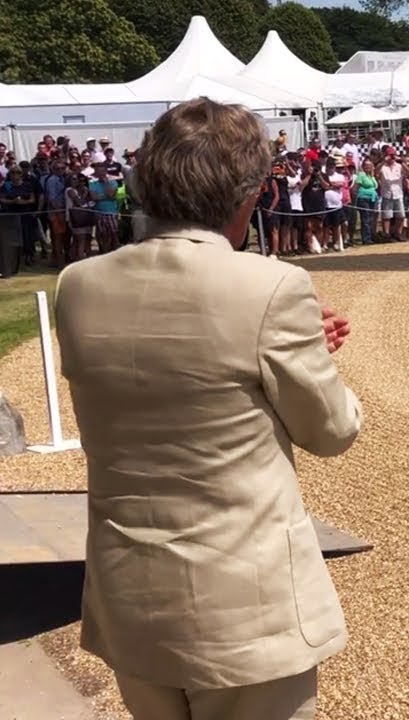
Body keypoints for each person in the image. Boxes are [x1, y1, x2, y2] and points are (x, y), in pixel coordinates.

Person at [53, 97, 363, 720]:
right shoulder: (271, 285)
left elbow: (164, 377)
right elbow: (331, 431)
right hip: (245, 607)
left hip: (129, 592)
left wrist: (287, 350)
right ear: (249, 194)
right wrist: (306, 359)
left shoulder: (77, 285)